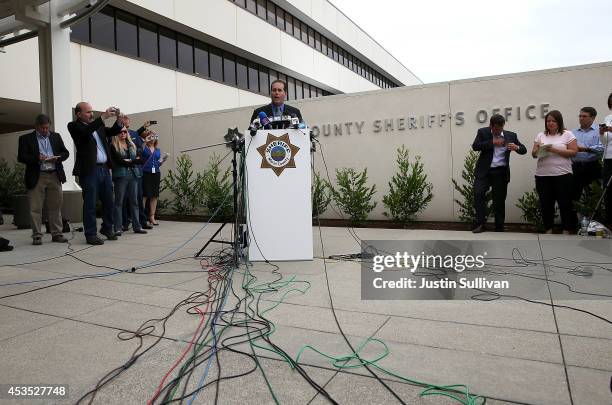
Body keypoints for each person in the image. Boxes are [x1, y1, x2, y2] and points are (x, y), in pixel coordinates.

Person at [67, 102, 123, 245]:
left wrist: (118, 119)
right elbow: (85, 133)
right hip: (90, 171)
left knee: (109, 201)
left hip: (104, 169)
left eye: (92, 111)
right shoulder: (74, 126)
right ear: (78, 114)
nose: (91, 114)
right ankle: (91, 234)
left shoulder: (98, 126)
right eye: (88, 112)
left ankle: (107, 228)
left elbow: (114, 131)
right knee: (90, 204)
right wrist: (102, 117)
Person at [17, 114, 70, 245]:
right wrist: (37, 158)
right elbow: (21, 157)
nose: (45, 131)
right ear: (36, 127)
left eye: (47, 128)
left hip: (54, 174)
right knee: (35, 207)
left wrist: (57, 157)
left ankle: (57, 234)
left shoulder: (56, 136)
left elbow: (66, 152)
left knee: (56, 206)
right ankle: (37, 236)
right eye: (43, 128)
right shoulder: (25, 138)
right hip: (37, 175)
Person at [471, 114, 527, 233]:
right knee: (478, 193)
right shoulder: (483, 132)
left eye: (500, 128)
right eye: (495, 129)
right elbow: (475, 146)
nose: (498, 131)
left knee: (499, 200)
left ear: (503, 126)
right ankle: (480, 224)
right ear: (491, 126)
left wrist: (516, 147)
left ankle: (499, 227)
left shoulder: (511, 135)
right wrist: (492, 142)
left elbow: (524, 150)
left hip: (500, 172)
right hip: (484, 171)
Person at [532, 110, 578, 234]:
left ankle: (567, 229)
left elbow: (574, 151)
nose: (550, 123)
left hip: (563, 175)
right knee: (546, 204)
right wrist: (539, 150)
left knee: (565, 203)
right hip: (542, 175)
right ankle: (548, 229)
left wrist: (555, 150)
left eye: (553, 121)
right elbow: (533, 154)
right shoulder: (541, 135)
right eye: (548, 121)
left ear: (559, 122)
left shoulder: (567, 134)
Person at [110, 127, 147, 235]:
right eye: (120, 131)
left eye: (124, 131)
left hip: (133, 175)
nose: (122, 133)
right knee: (119, 202)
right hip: (121, 176)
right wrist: (133, 161)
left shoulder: (132, 145)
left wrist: (130, 161)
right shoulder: (113, 146)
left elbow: (141, 160)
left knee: (134, 202)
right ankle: (117, 228)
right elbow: (118, 161)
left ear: (127, 133)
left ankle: (137, 227)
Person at [121, 116, 152, 231]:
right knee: (123, 199)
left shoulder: (134, 134)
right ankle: (124, 223)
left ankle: (142, 221)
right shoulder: (116, 135)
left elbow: (140, 148)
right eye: (124, 125)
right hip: (123, 171)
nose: (126, 129)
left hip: (136, 171)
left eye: (128, 126)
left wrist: (135, 155)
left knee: (138, 198)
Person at [571, 107, 603, 214]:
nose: (581, 118)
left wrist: (585, 149)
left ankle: (594, 224)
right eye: (580, 116)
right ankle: (572, 226)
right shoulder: (573, 132)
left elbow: (602, 148)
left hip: (593, 167)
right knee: (573, 197)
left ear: (593, 118)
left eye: (584, 116)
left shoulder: (600, 131)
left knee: (593, 198)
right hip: (576, 167)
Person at [141, 131, 167, 226]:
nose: (153, 138)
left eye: (154, 137)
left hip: (156, 173)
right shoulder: (144, 147)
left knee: (154, 195)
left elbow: (158, 163)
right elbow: (139, 151)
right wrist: (144, 141)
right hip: (145, 173)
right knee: (145, 195)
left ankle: (152, 216)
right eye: (151, 137)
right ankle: (142, 217)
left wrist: (163, 160)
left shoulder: (157, 150)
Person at [600, 92, 612, 228]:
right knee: (608, 189)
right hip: (608, 157)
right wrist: (602, 133)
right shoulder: (608, 117)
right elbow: (605, 141)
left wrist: (610, 129)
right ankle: (609, 223)